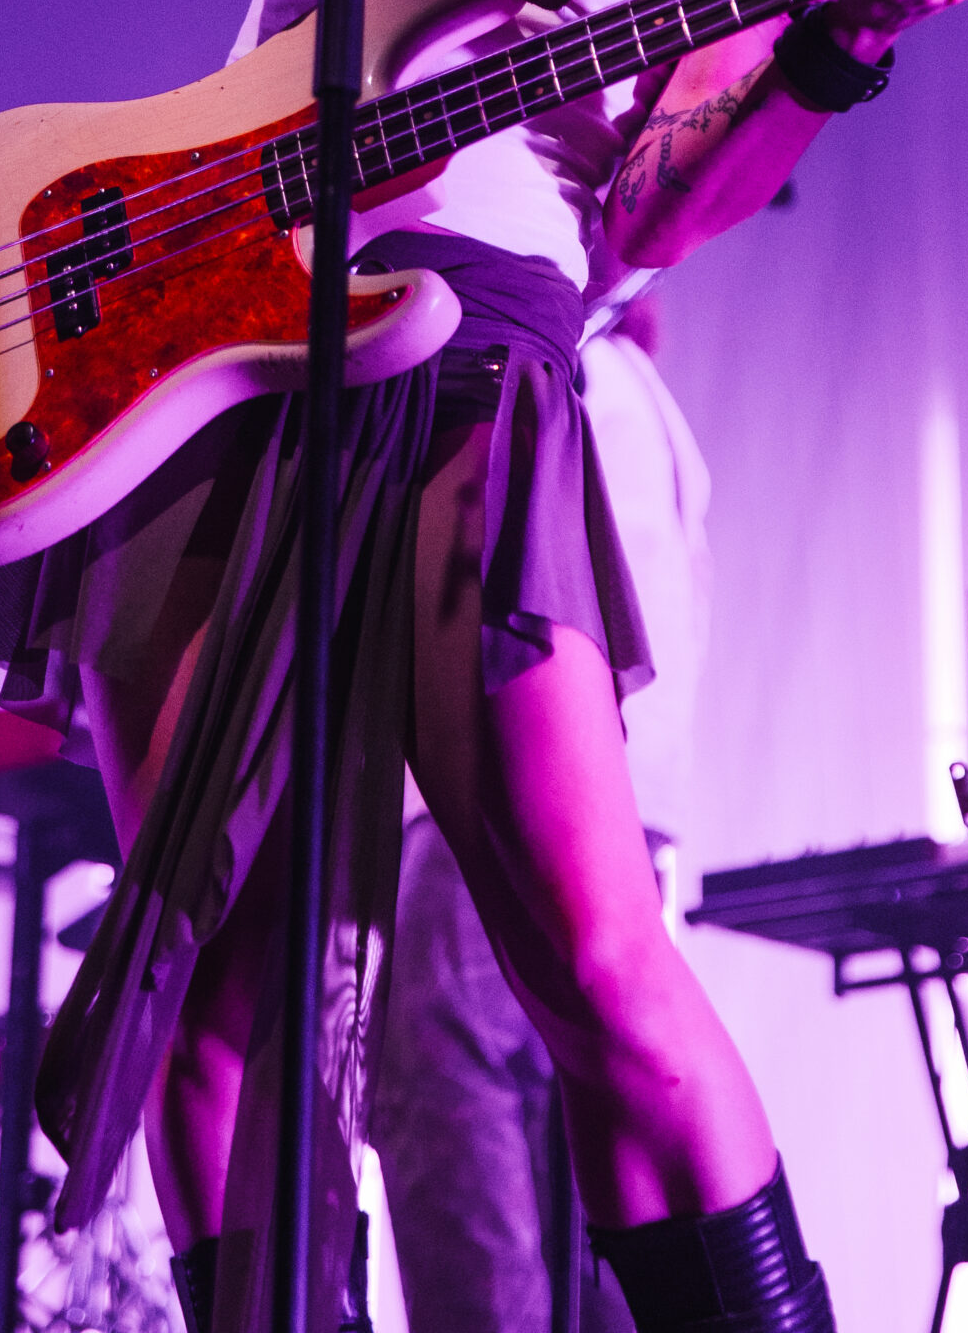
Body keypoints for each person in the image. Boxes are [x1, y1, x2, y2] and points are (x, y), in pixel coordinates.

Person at [0, 0, 968, 1333]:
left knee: (592, 962)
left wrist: (842, 43)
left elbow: (657, 207)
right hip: (208, 325)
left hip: (475, 340)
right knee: (213, 982)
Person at [372, 291, 711, 1333]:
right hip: (600, 795)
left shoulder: (566, 366)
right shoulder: (622, 385)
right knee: (574, 1126)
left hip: (525, 782)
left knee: (443, 1066)